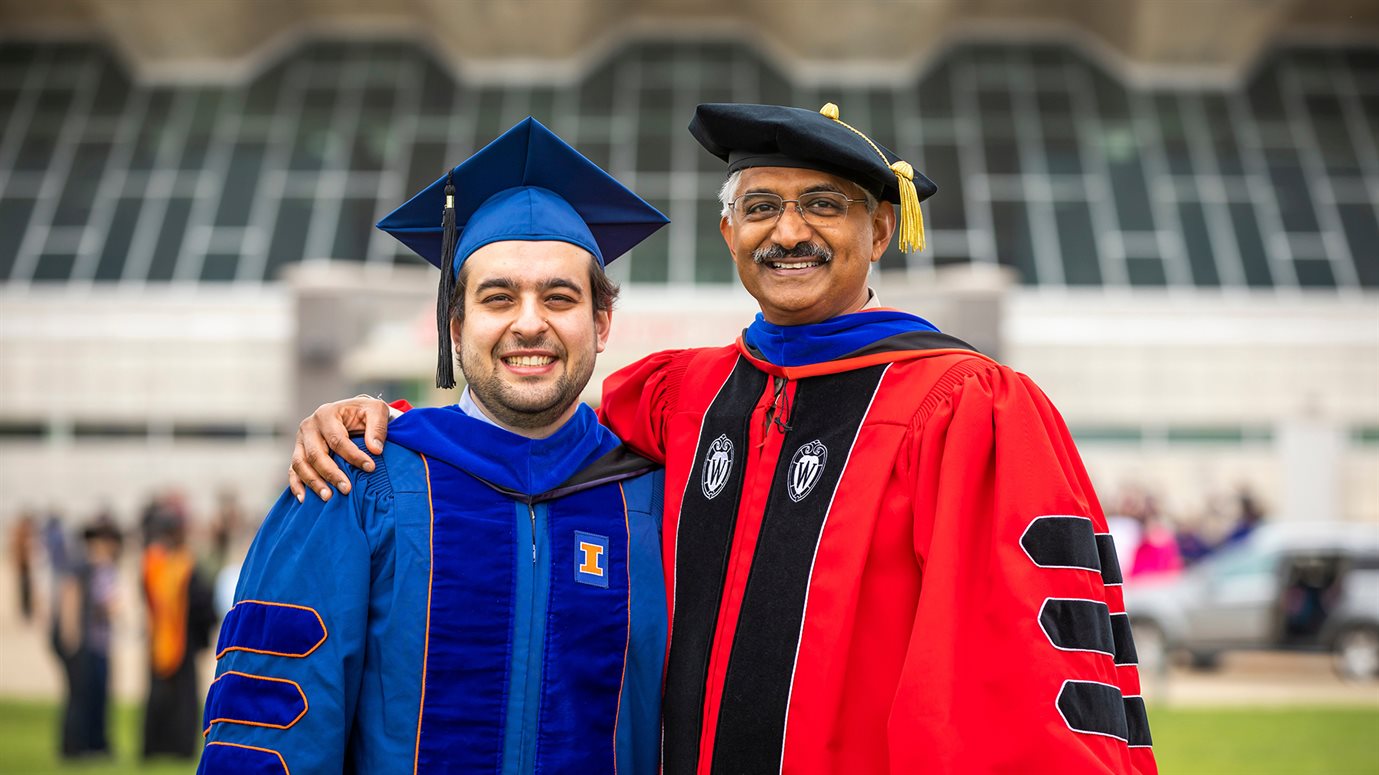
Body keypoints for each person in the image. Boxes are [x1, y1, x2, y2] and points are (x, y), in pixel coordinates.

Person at [290, 103, 1156, 773]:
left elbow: (1028, 673)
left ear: (881, 230)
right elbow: (524, 429)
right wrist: (388, 424)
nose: (788, 232)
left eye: (825, 206)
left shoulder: (966, 405)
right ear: (728, 232)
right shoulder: (686, 394)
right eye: (761, 206)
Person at [199, 118, 669, 774]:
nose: (528, 322)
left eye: (558, 298)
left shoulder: (652, 496)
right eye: (498, 297)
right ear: (455, 324)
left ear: (601, 321)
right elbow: (269, 729)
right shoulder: (357, 480)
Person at [142, 510, 216, 759]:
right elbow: (203, 602)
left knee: (166, 695)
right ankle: (177, 748)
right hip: (178, 638)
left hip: (166, 637)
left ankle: (159, 748)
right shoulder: (176, 564)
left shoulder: (156, 562)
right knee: (177, 697)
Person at [55, 515, 121, 759]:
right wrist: (71, 635)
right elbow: (73, 598)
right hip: (86, 643)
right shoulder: (88, 568)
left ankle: (93, 744)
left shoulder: (92, 568)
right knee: (82, 696)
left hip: (94, 642)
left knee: (92, 695)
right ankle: (78, 746)